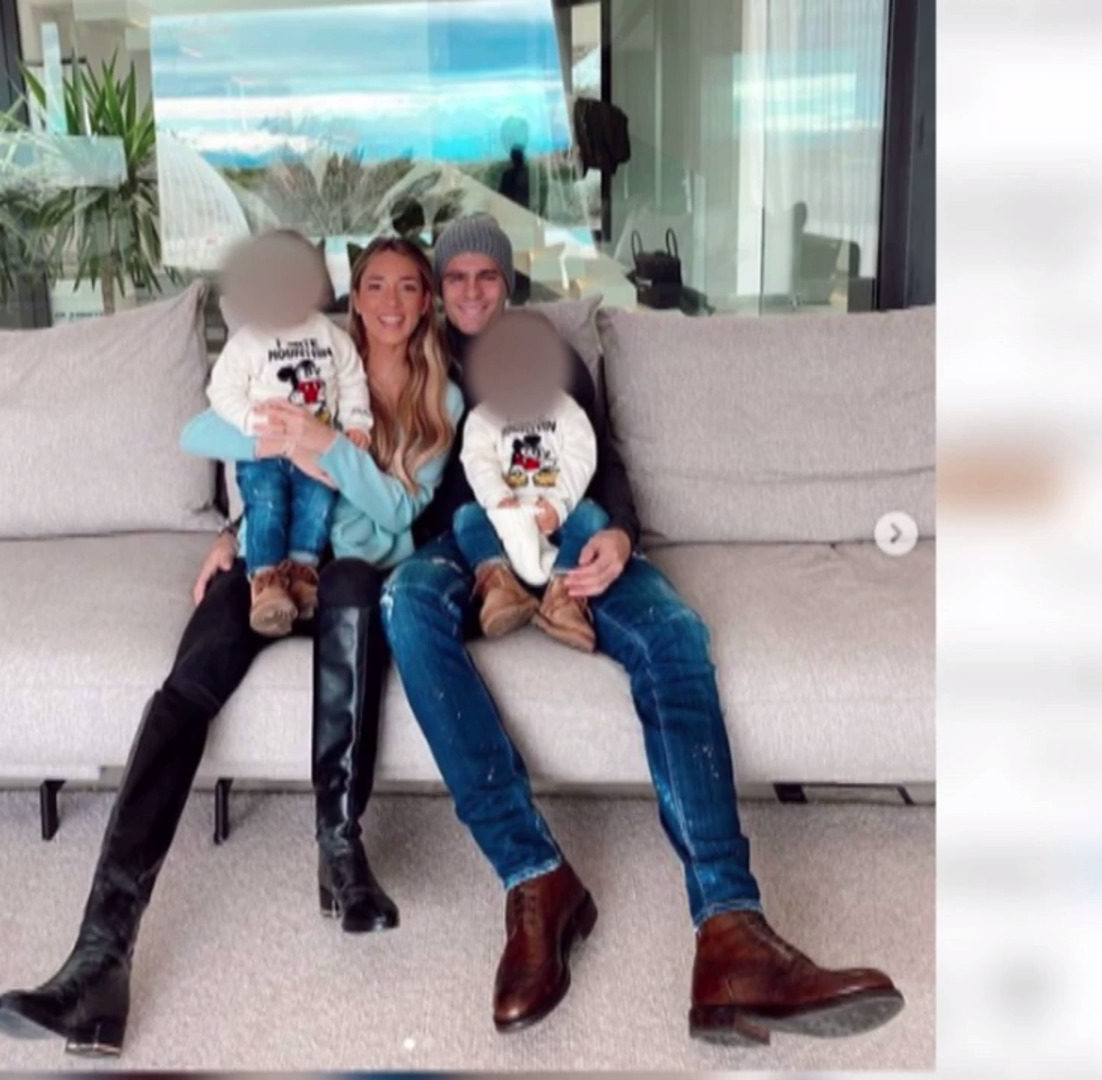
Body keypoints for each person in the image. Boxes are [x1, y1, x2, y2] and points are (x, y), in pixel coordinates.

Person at [382, 214, 904, 1045]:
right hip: (466, 547)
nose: (472, 290)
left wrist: (619, 534)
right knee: (403, 601)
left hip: (570, 529)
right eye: (456, 278)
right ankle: (535, 875)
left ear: (508, 283)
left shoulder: (549, 354)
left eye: (487, 275)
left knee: (674, 634)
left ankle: (731, 931)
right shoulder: (414, 353)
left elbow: (604, 459)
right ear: (438, 290)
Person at [0, 236, 463, 1057]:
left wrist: (323, 444)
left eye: (409, 288)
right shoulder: (316, 352)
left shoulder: (440, 396)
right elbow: (212, 429)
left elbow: (395, 512)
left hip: (352, 569)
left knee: (357, 587)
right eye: (376, 285)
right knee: (186, 690)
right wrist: (243, 516)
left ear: (427, 303)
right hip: (269, 561)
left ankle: (340, 854)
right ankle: (100, 955)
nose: (391, 302)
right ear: (353, 296)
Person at [209, 231, 373, 635]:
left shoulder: (330, 335)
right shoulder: (248, 341)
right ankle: (266, 582)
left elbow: (352, 379)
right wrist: (251, 422)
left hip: (316, 448)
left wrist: (357, 423)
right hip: (265, 453)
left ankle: (302, 574)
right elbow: (221, 391)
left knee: (317, 503)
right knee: (266, 505)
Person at [453, 309, 605, 651]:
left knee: (593, 516)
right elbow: (477, 459)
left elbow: (581, 457)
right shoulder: (483, 416)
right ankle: (499, 584)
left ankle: (563, 595)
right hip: (505, 515)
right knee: (465, 518)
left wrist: (559, 505)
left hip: (554, 513)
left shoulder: (566, 410)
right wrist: (498, 499)